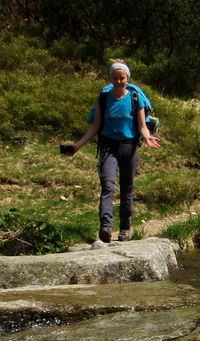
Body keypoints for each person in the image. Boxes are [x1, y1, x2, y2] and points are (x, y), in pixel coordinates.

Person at [66, 62, 161, 242]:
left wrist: (147, 137)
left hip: (129, 147)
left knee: (127, 189)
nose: (118, 81)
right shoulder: (103, 98)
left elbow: (142, 126)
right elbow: (95, 126)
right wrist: (77, 146)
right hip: (108, 147)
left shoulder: (135, 98)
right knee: (107, 185)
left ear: (127, 78)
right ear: (110, 79)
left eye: (122, 78)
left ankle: (124, 229)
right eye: (115, 78)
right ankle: (106, 227)